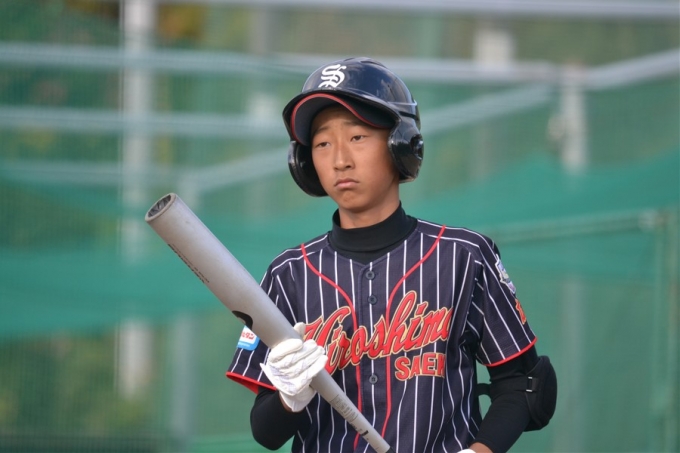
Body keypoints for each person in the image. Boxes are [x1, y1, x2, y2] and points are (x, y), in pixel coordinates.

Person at [227, 57, 557, 453]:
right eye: (322, 143)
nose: (340, 159)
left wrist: (479, 452)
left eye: (358, 137)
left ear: (401, 143)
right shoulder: (288, 274)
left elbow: (524, 385)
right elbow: (265, 432)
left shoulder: (464, 256)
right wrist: (288, 398)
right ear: (303, 160)